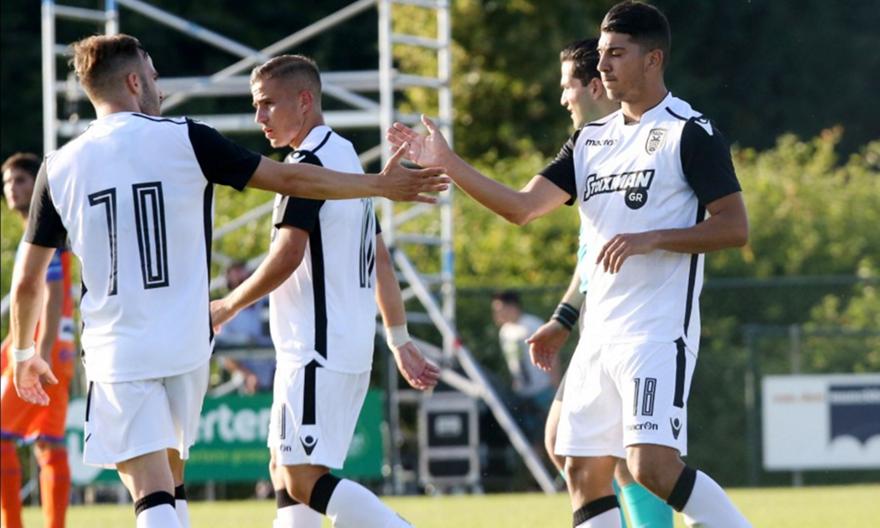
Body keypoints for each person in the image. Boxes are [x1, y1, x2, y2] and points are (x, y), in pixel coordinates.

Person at [9, 34, 446, 528]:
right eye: (153, 78)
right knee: (197, 475)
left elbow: (27, 281)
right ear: (133, 82)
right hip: (188, 342)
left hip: (121, 347)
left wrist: (23, 353)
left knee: (155, 488)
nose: (159, 88)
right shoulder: (188, 138)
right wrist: (378, 186)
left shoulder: (58, 167)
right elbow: (294, 183)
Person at [386, 1, 751, 526]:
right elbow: (521, 207)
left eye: (616, 53)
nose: (602, 64)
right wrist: (447, 162)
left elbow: (734, 227)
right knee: (580, 468)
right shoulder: (589, 141)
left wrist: (653, 238)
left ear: (653, 59)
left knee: (652, 467)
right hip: (597, 337)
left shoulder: (689, 131)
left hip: (654, 334)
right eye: (600, 53)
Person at [210, 54, 440, 528]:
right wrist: (399, 339)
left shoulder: (309, 166)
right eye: (256, 106)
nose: (259, 117)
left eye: (268, 104)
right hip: (337, 347)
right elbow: (380, 257)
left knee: (300, 479)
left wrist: (228, 306)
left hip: (316, 348)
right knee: (283, 470)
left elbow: (288, 255)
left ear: (304, 101)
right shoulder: (345, 157)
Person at [527, 38, 673, 527]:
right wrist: (564, 317)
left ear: (594, 87)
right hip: (601, 326)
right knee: (577, 448)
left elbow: (520, 207)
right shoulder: (589, 148)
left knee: (625, 460)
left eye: (567, 86)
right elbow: (592, 255)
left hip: (639, 326)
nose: (562, 98)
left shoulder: (637, 143)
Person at [1, 153, 75, 528]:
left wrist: (37, 353)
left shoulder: (45, 226)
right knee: (50, 442)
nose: (11, 189)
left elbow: (53, 293)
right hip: (56, 348)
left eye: (20, 180)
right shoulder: (46, 227)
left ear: (38, 184)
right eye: (7, 183)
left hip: (42, 348)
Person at [490, 290, 555, 444]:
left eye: (499, 309)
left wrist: (555, 382)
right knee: (532, 437)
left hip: (543, 388)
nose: (496, 314)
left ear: (512, 307)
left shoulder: (532, 324)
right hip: (523, 392)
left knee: (552, 433)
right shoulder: (504, 332)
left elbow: (552, 353)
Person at [214, 261, 270, 347]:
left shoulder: (266, 301)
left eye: (245, 279)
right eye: (239, 281)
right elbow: (224, 342)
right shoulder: (223, 310)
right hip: (242, 354)